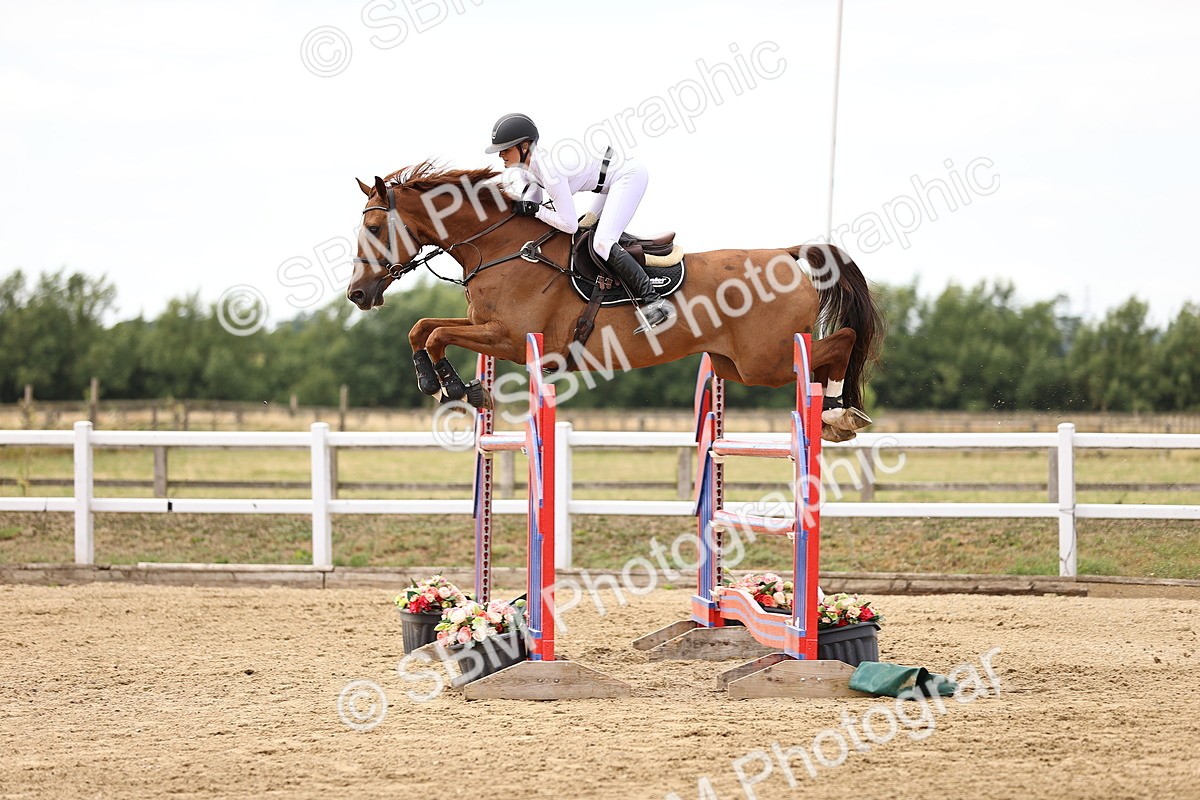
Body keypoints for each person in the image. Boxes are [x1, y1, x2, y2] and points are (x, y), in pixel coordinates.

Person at [485, 112, 673, 332]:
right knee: (588, 230)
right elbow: (531, 204)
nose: (501, 155)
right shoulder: (527, 170)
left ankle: (656, 302)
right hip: (608, 183)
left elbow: (568, 223)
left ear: (524, 146)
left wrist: (535, 210)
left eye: (505, 149)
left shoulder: (549, 169)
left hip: (627, 177)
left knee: (602, 242)